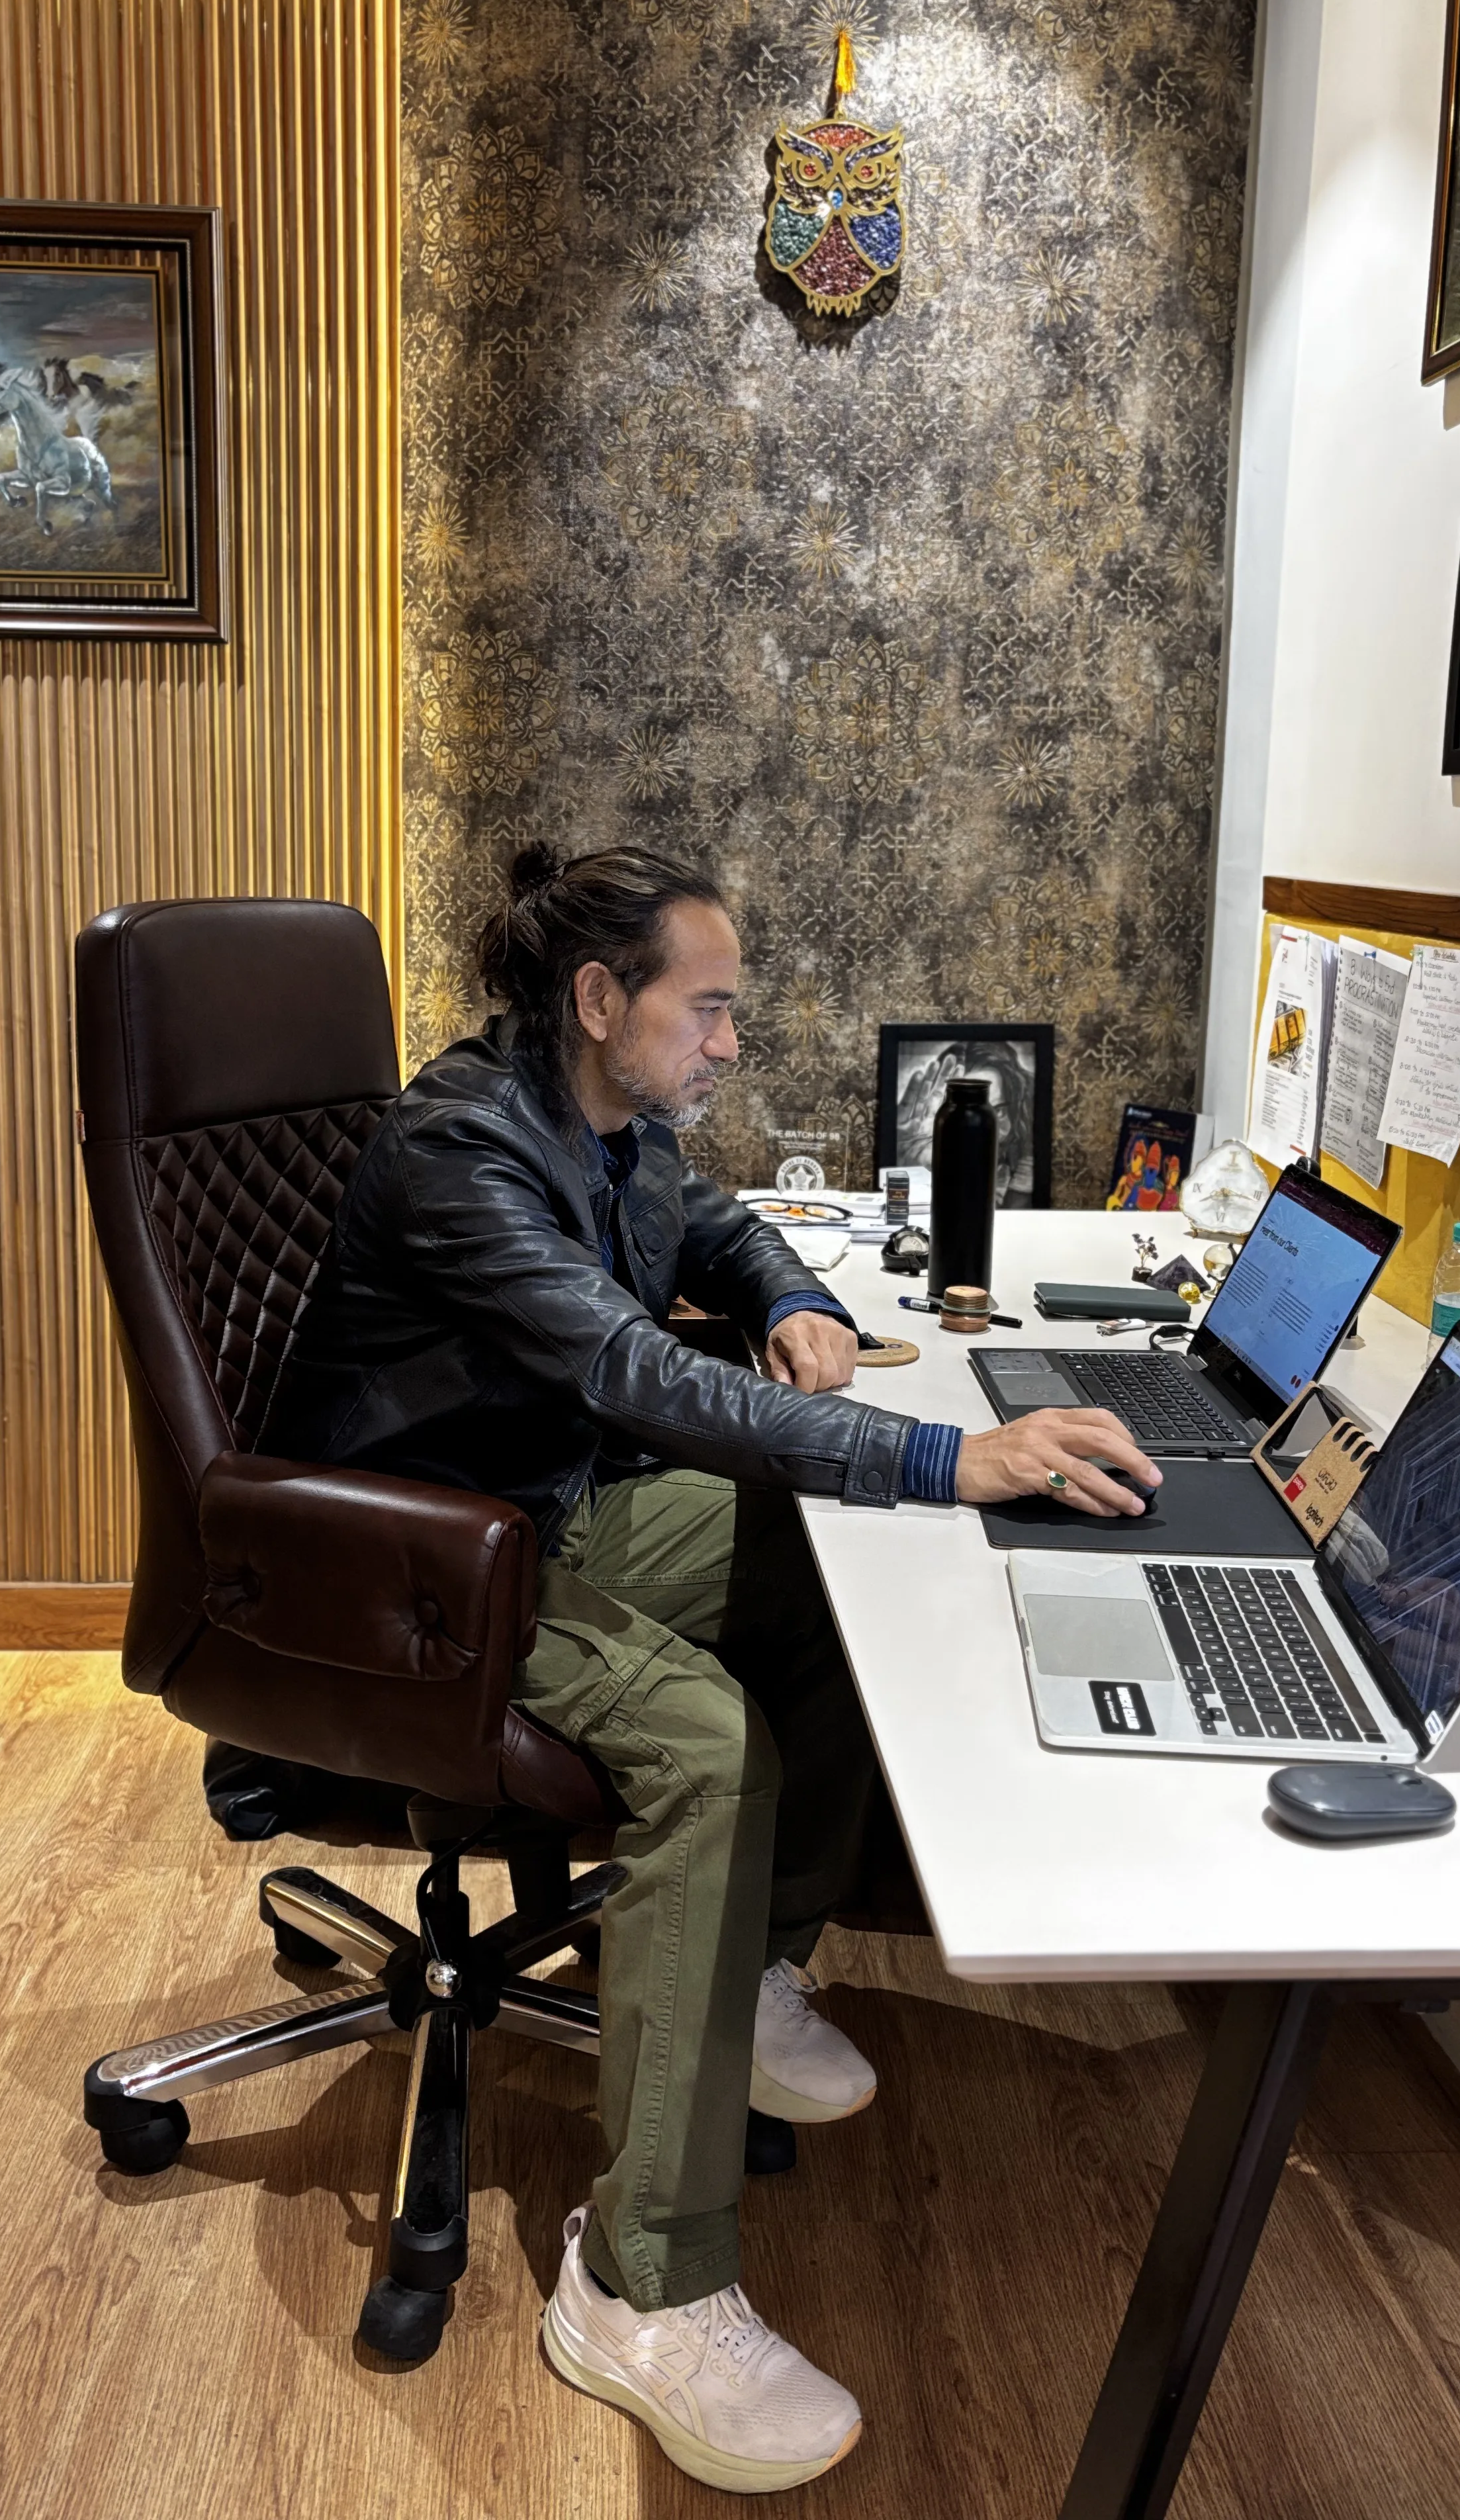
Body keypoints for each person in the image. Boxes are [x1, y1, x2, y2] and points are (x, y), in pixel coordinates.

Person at [263, 842, 1158, 2494]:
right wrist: (943, 1454)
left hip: (543, 1512)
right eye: (714, 1007)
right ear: (601, 999)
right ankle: (641, 2285)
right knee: (712, 1744)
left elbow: (714, 1224)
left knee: (834, 1575)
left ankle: (744, 1974)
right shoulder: (462, 1146)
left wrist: (797, 1296)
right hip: (420, 1566)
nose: (732, 1043)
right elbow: (628, 1370)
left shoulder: (609, 1119)